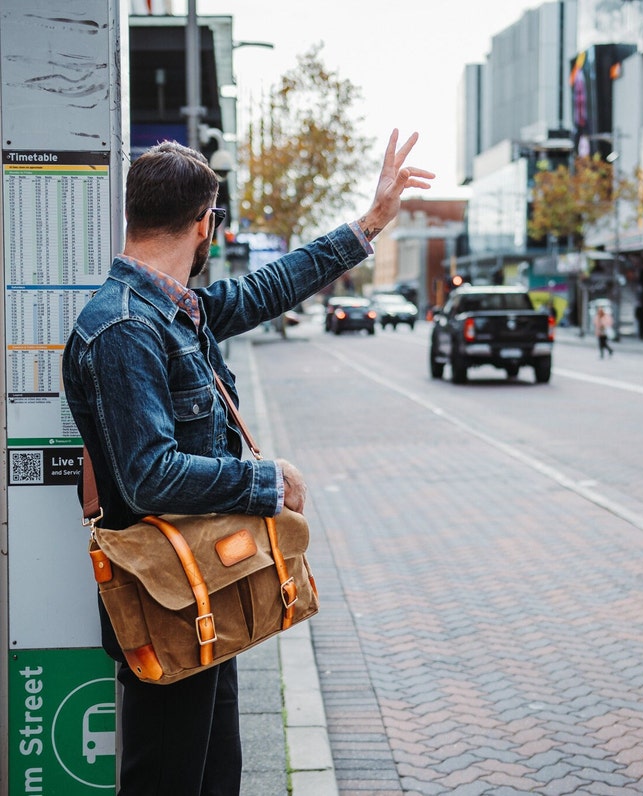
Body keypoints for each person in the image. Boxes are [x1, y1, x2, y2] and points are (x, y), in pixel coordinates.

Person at [62, 130, 433, 795]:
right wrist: (269, 480)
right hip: (162, 598)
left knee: (214, 774)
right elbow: (150, 475)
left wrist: (371, 222)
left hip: (198, 584)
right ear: (206, 223)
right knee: (168, 780)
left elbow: (269, 287)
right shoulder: (125, 328)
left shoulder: (174, 311)